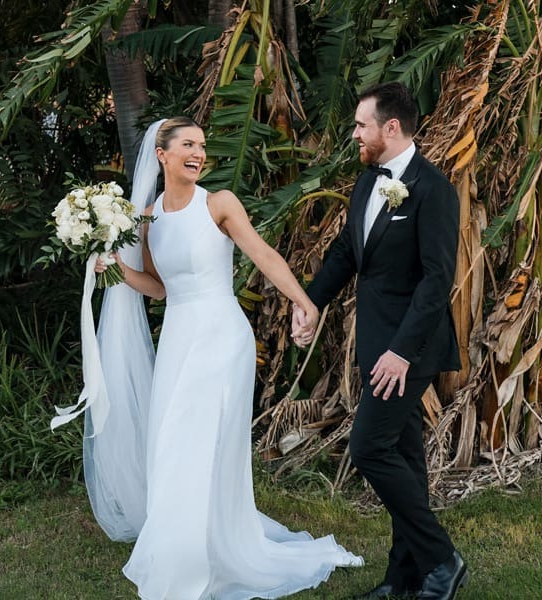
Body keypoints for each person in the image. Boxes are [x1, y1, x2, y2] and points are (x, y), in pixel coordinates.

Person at [91, 116, 362, 600]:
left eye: (202, 145)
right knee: (170, 440)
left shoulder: (218, 203)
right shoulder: (149, 220)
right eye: (187, 145)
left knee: (206, 443)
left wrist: (305, 302)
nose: (198, 153)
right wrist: (116, 271)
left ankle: (210, 550)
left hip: (221, 337)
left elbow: (264, 256)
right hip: (178, 338)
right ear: (162, 155)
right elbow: (158, 290)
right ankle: (182, 546)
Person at [293, 83, 467, 600]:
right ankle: (404, 579)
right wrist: (312, 302)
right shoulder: (367, 181)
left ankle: (443, 559)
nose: (354, 134)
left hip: (408, 349)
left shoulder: (433, 189)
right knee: (406, 459)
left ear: (391, 127)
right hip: (377, 343)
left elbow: (438, 280)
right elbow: (348, 251)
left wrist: (399, 352)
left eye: (360, 125)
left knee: (369, 448)